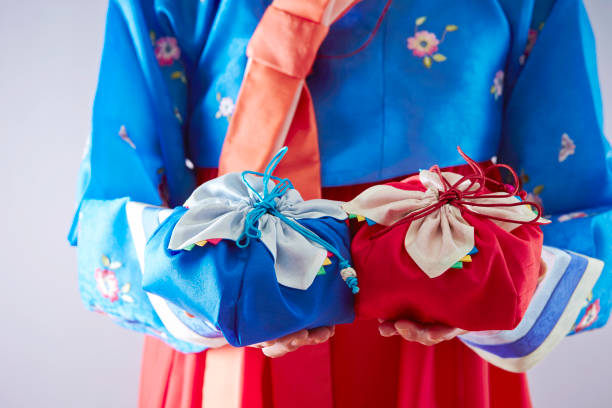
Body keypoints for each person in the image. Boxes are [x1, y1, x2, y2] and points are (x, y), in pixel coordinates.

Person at [70, 0, 612, 406]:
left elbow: (575, 209)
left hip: (438, 287)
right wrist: (210, 289)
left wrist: (499, 285)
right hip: (232, 296)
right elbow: (115, 206)